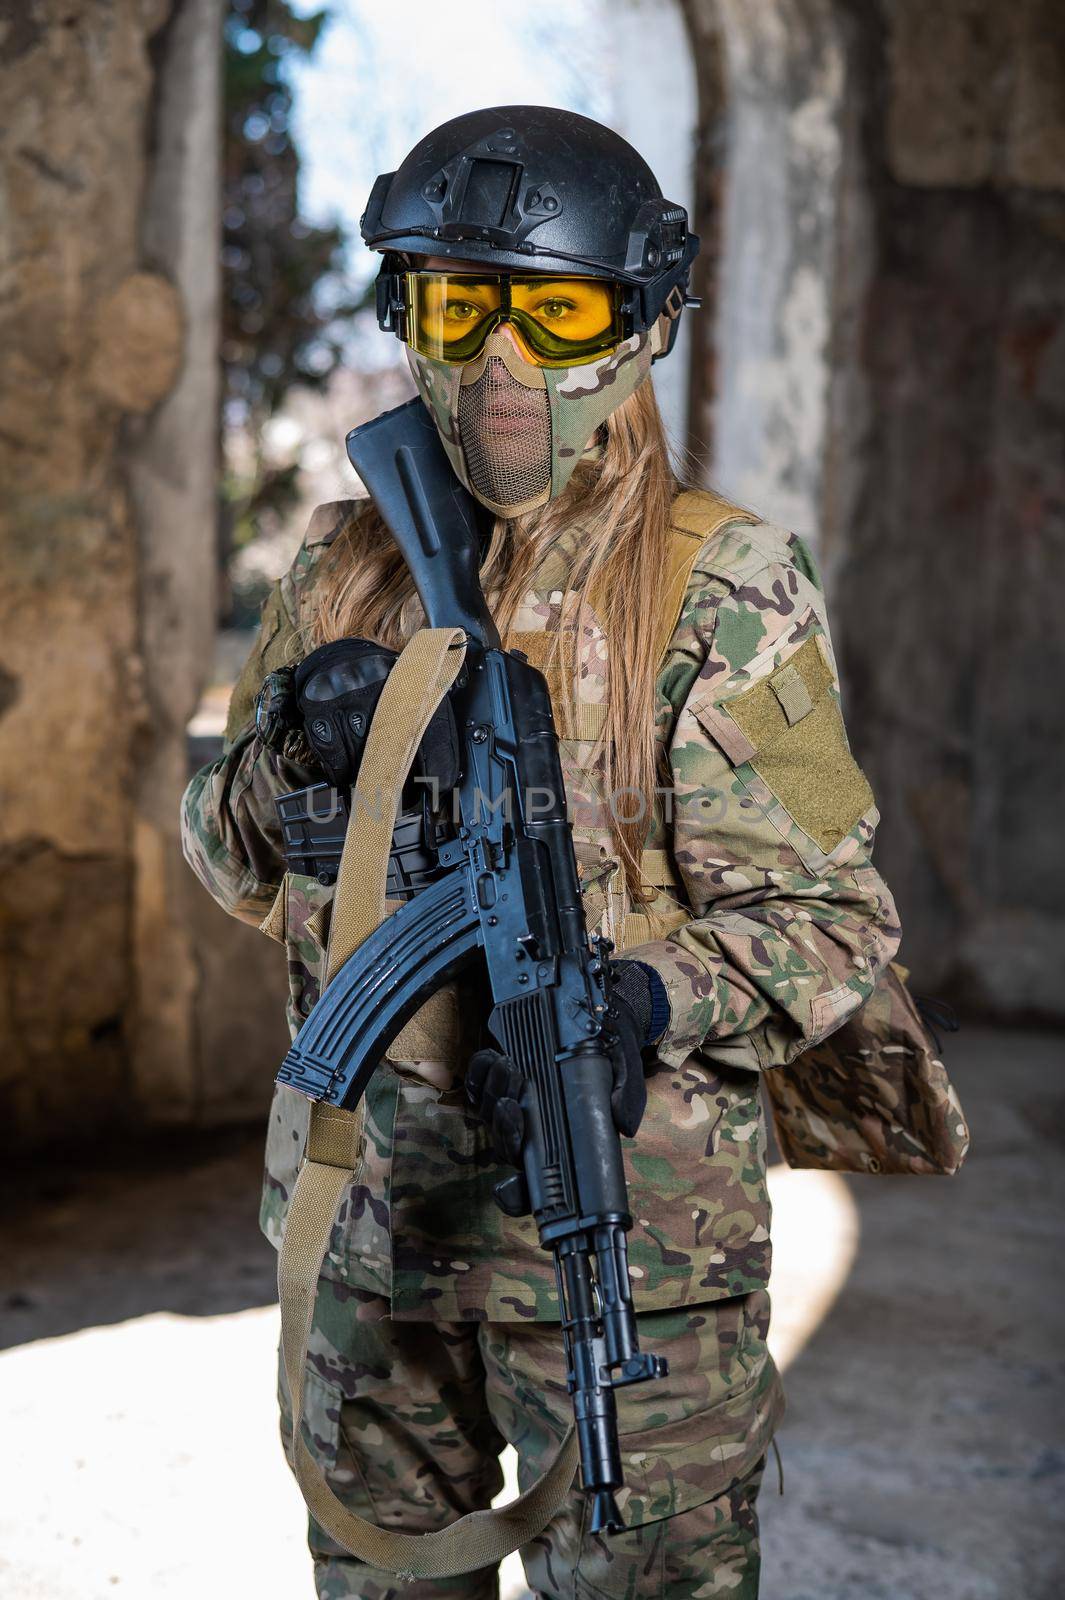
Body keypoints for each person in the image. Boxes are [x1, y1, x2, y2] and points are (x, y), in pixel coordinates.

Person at [181, 105, 900, 1600]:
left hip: (632, 1250)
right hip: (373, 1236)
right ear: (411, 322)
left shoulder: (730, 585)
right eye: (460, 308)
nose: (501, 363)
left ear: (634, 331)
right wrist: (301, 754)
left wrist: (640, 1004)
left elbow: (831, 920)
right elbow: (228, 857)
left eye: (553, 311)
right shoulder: (339, 561)